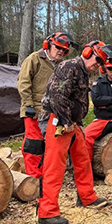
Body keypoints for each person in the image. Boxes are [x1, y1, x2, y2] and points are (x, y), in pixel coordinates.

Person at [37, 40, 112, 224]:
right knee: (54, 166)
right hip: (58, 119)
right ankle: (47, 212)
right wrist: (65, 121)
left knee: (83, 159)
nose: (98, 64)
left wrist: (74, 122)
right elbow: (57, 96)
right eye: (97, 59)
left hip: (72, 122)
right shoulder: (69, 66)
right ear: (88, 52)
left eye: (101, 62)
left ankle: (86, 197)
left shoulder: (82, 71)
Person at [17, 32, 74, 178]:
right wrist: (28, 104)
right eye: (58, 47)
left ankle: (47, 173)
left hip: (51, 110)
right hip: (34, 108)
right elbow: (23, 83)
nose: (60, 51)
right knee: (33, 144)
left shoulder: (61, 66)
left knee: (50, 143)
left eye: (64, 50)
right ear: (48, 45)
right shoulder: (34, 59)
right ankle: (34, 177)